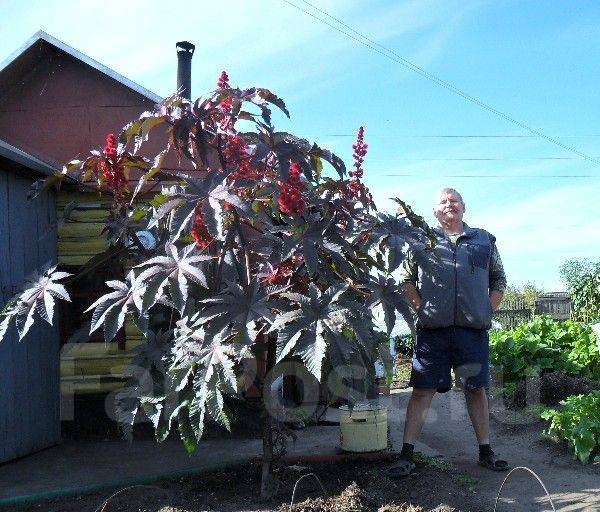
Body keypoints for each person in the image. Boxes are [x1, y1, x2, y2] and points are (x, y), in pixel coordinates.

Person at [388, 188, 508, 477]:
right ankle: (407, 454)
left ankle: (485, 451)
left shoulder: (484, 240)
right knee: (422, 391)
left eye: (454, 201)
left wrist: (487, 311)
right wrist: (421, 309)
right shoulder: (421, 240)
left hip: (471, 331)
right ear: (435, 211)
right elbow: (406, 279)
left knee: (476, 389)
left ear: (463, 208)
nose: (448, 205)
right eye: (443, 201)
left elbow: (499, 279)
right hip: (433, 332)